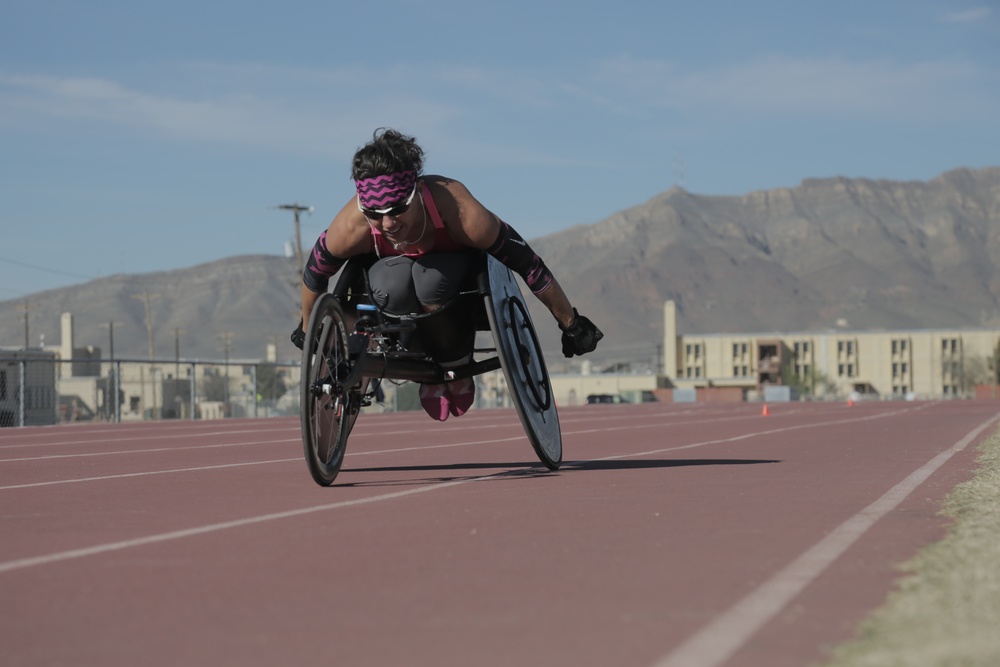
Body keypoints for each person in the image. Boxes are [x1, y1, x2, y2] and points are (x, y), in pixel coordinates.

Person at [292, 128, 602, 420]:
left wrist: (570, 323)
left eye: (398, 208)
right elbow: (314, 276)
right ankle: (423, 362)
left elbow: (529, 264)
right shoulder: (349, 226)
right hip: (392, 285)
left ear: (419, 190)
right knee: (392, 283)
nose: (387, 223)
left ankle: (455, 360)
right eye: (374, 214)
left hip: (458, 284)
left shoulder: (460, 209)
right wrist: (309, 330)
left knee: (430, 280)